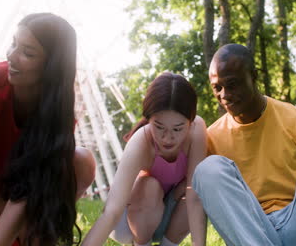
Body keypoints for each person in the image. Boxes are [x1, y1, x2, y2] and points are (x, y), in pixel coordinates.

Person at [192, 43, 296, 246]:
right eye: (217, 88)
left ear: (253, 76)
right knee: (207, 169)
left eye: (232, 84)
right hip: (252, 231)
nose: (224, 95)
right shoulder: (211, 138)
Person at [0, 13, 96, 246]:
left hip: (19, 198)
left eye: (28, 53)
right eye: (13, 43)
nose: (11, 56)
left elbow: (41, 181)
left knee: (82, 161)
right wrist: (19, 224)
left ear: (52, 65)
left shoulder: (57, 112)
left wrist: (33, 224)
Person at [82, 72, 207, 246]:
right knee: (150, 186)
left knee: (200, 186)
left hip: (171, 214)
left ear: (190, 122)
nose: (167, 138)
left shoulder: (197, 130)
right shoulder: (141, 142)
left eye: (177, 129)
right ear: (148, 120)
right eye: (159, 127)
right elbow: (112, 211)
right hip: (132, 220)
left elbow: (194, 195)